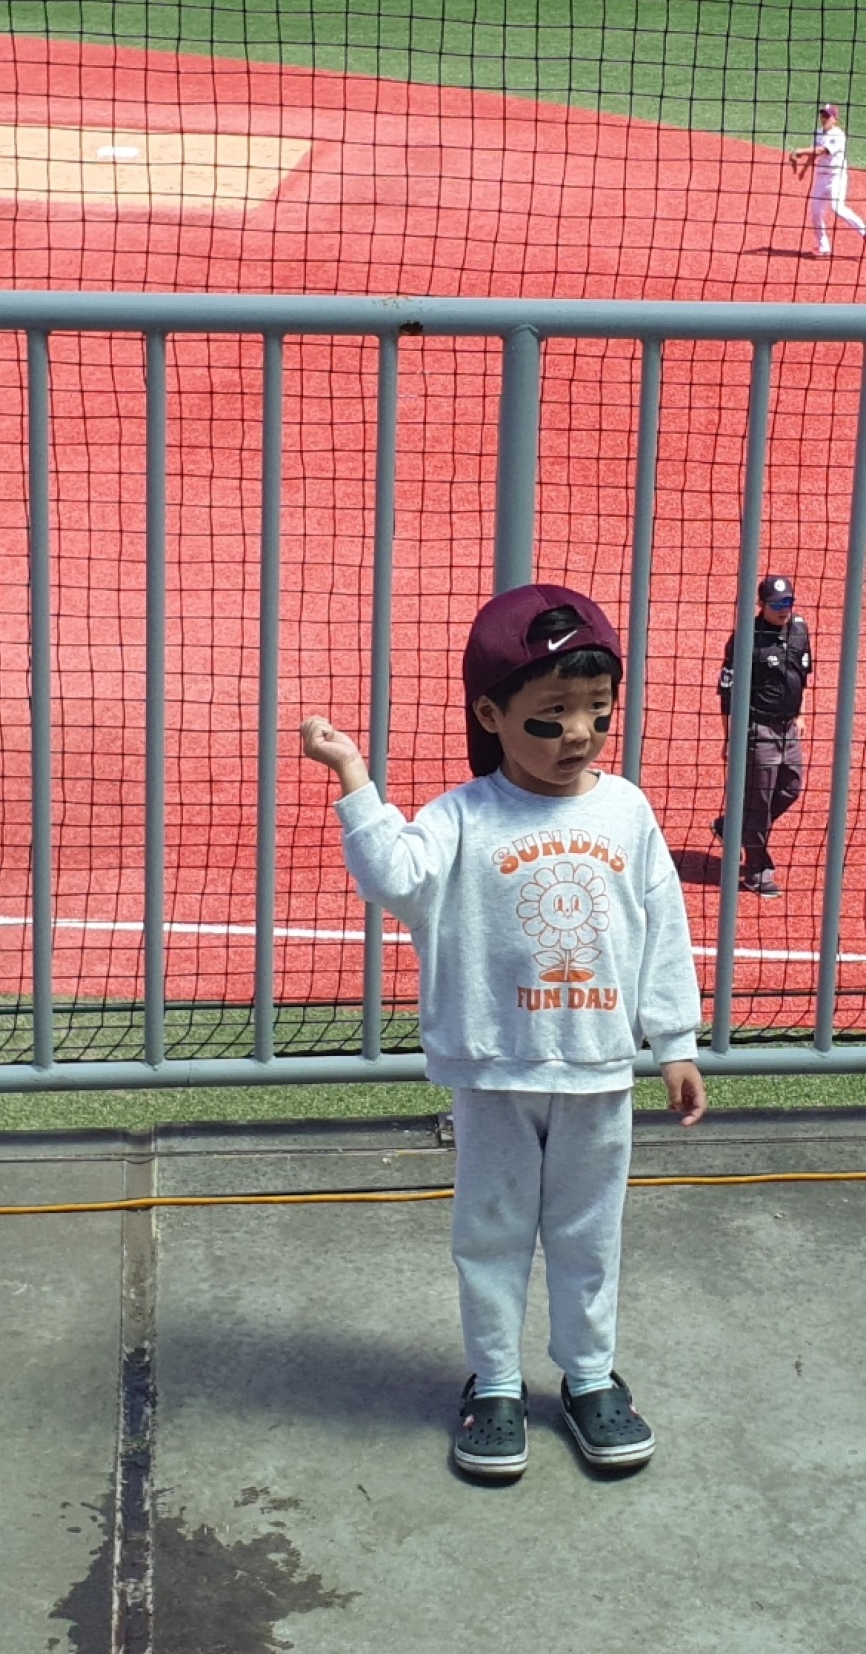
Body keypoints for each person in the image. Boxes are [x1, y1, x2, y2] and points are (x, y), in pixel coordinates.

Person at [302, 586, 706, 1485]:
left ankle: (590, 1377)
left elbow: (662, 927)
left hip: (599, 1073)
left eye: (597, 712)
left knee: (589, 1236)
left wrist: (674, 1041)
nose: (578, 735)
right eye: (550, 717)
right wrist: (354, 778)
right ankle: (495, 1383)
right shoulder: (462, 815)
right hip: (492, 1071)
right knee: (490, 1236)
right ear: (491, 715)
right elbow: (394, 878)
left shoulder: (627, 810)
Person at [713, 571, 812, 897]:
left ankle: (733, 826)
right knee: (760, 801)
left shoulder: (799, 629)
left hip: (788, 728)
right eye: (777, 604)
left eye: (788, 602)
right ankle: (757, 871)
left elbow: (802, 675)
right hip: (758, 728)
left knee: (791, 788)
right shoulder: (746, 638)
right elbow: (727, 693)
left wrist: (800, 714)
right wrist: (730, 738)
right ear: (761, 604)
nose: (784, 609)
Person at [790, 100, 866, 256]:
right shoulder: (819, 132)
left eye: (827, 116)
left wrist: (798, 151)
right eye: (822, 115)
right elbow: (814, 153)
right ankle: (823, 247)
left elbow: (821, 151)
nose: (824, 118)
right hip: (821, 177)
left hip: (836, 177)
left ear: (834, 119)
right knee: (815, 212)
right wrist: (804, 170)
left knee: (837, 207)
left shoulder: (838, 135)